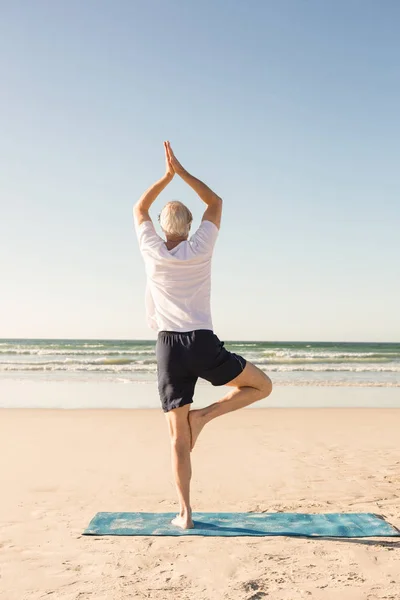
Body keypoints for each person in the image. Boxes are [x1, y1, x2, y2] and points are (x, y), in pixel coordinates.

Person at [133, 141, 273, 530]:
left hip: (170, 349)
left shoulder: (152, 250)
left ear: (163, 227)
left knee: (177, 439)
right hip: (203, 343)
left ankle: (185, 513)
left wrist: (164, 178)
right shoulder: (201, 247)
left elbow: (139, 209)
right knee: (262, 387)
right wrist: (182, 172)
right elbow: (216, 201)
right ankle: (206, 417)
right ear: (191, 227)